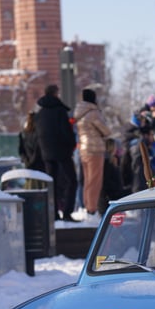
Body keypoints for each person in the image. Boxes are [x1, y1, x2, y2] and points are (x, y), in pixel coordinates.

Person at [35, 84, 79, 220]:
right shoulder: (60, 111)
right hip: (62, 151)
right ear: (55, 94)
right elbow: (66, 132)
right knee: (72, 180)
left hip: (46, 152)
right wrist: (71, 145)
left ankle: (53, 213)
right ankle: (67, 212)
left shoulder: (40, 113)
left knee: (51, 183)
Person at [74, 88, 112, 218]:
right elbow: (106, 131)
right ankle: (92, 209)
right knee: (95, 180)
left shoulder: (78, 112)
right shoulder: (93, 113)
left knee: (87, 180)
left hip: (83, 149)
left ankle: (86, 206)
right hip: (95, 149)